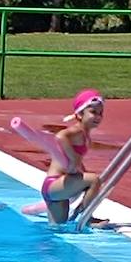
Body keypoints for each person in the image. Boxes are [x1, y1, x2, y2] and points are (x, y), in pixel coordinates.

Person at [41, 89, 107, 226]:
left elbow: (77, 159)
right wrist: (74, 158)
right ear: (80, 114)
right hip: (56, 183)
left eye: (100, 113)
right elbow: (60, 136)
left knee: (57, 230)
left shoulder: (85, 134)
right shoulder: (77, 131)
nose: (98, 117)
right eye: (93, 112)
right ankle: (88, 218)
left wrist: (78, 165)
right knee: (95, 180)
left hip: (56, 189)